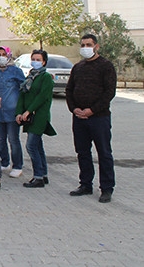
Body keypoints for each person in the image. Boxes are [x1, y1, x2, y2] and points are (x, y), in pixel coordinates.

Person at [66, 34, 117, 203]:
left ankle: (107, 188)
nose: (85, 47)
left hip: (99, 118)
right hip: (79, 118)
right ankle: (85, 184)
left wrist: (92, 110)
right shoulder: (78, 67)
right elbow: (69, 91)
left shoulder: (106, 66)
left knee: (103, 153)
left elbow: (109, 92)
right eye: (83, 45)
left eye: (89, 44)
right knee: (82, 152)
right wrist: (75, 109)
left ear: (97, 46)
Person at [16, 49, 56, 188]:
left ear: (44, 61)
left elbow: (41, 97)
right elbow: (23, 94)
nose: (35, 61)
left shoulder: (46, 78)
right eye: (34, 59)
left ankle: (38, 176)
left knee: (31, 146)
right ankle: (43, 174)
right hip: (29, 115)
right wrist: (19, 112)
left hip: (39, 116)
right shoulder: (30, 77)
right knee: (38, 146)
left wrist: (29, 110)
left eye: (38, 59)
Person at [0, 46, 26, 178]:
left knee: (13, 140)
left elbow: (24, 89)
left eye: (4, 54)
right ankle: (4, 161)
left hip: (12, 112)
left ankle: (17, 165)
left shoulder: (16, 71)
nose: (1, 57)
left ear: (9, 56)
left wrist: (21, 110)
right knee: (0, 139)